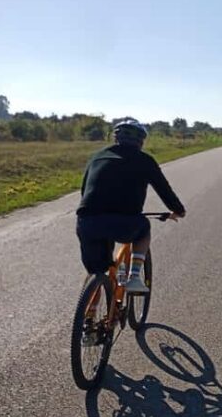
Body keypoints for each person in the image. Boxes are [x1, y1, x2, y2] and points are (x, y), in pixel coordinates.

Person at [76, 119, 186, 294]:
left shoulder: (97, 157)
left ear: (116, 138)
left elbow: (85, 190)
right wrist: (179, 211)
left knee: (96, 270)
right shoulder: (145, 160)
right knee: (144, 228)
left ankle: (90, 308)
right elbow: (164, 190)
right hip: (125, 223)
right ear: (141, 141)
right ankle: (134, 277)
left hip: (87, 222)